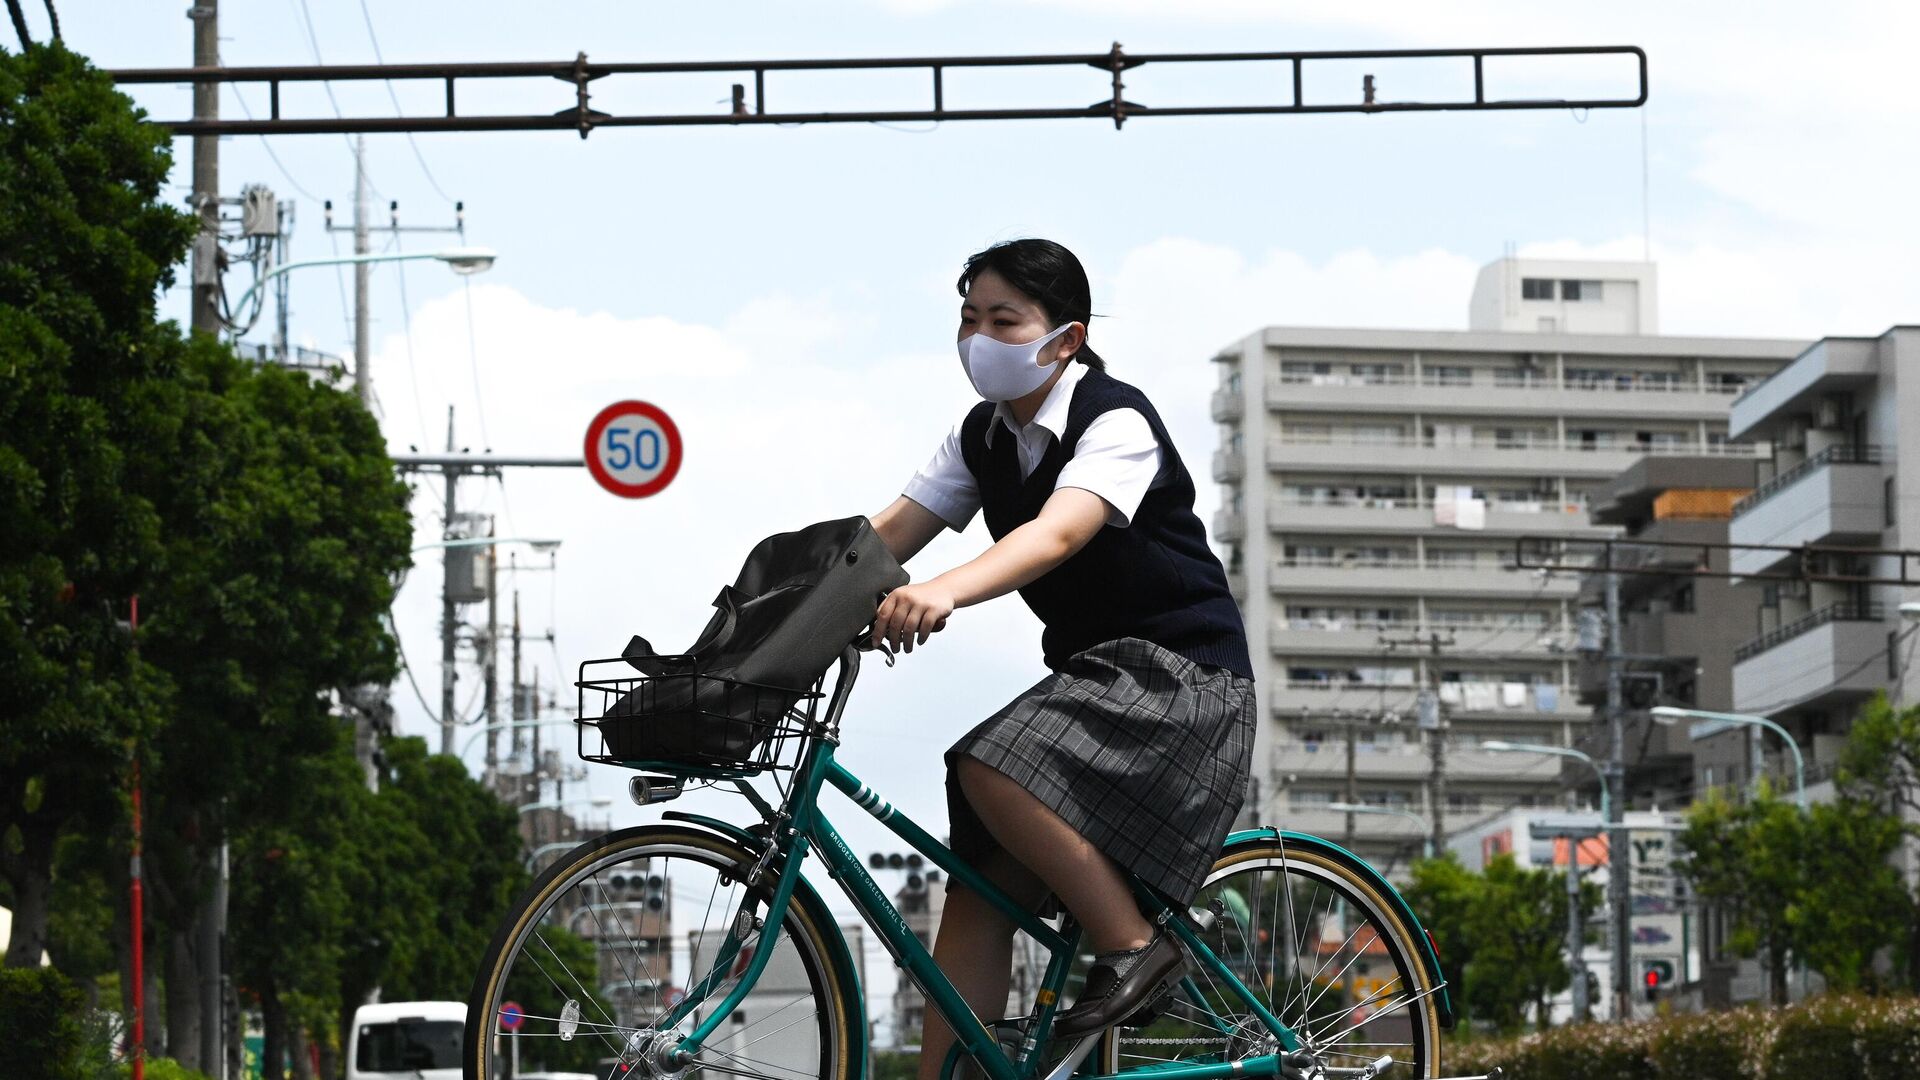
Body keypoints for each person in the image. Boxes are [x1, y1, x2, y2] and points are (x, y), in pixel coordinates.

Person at [867, 238, 1255, 1072]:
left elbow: (1060, 531)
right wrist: (775, 611)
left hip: (1182, 681)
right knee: (977, 886)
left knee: (989, 764)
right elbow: (886, 537)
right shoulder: (982, 438)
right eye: (969, 319)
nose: (980, 339)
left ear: (1066, 338)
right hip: (1097, 687)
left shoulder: (1115, 419)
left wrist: (944, 591)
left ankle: (1134, 947)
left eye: (1005, 320)